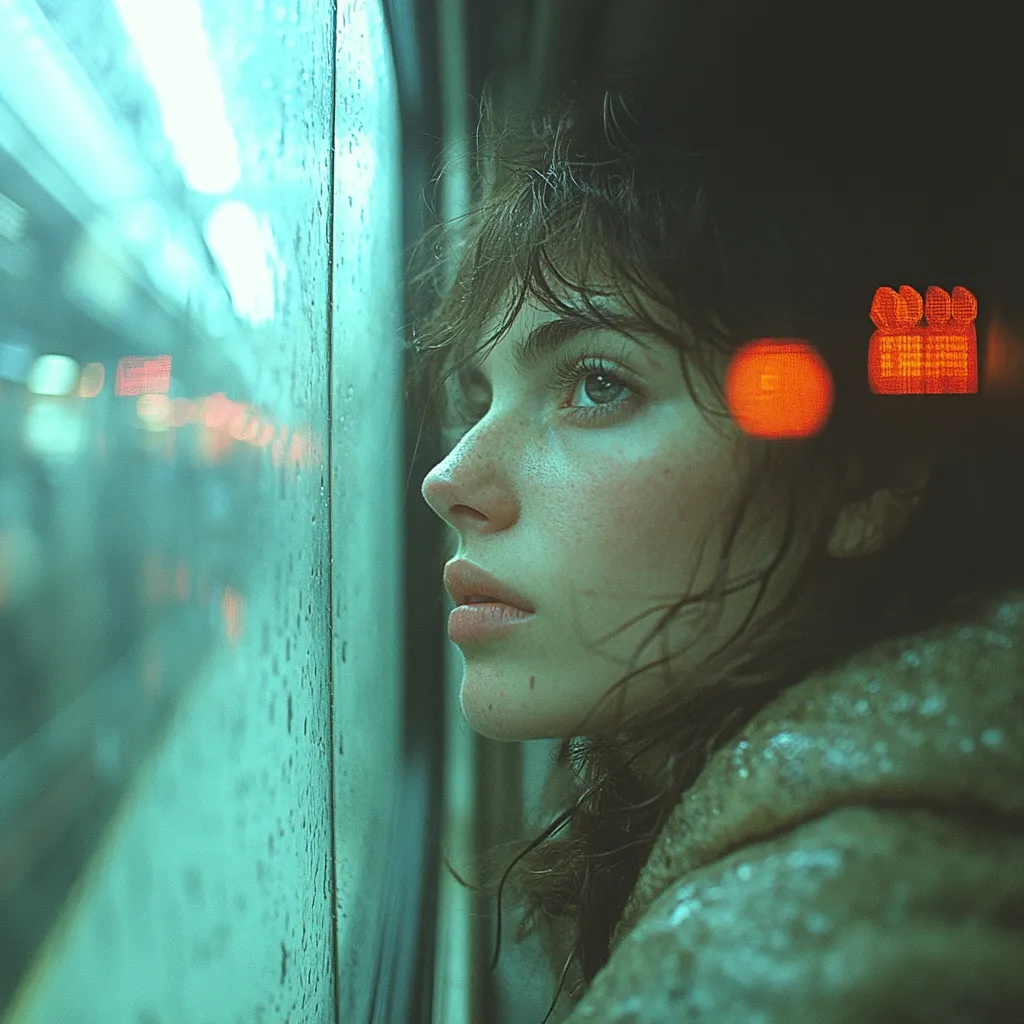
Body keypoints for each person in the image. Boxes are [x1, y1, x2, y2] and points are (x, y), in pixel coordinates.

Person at [410, 6, 1024, 1020]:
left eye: (597, 384)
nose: (450, 478)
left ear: (861, 480)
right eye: (478, 397)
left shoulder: (820, 945)